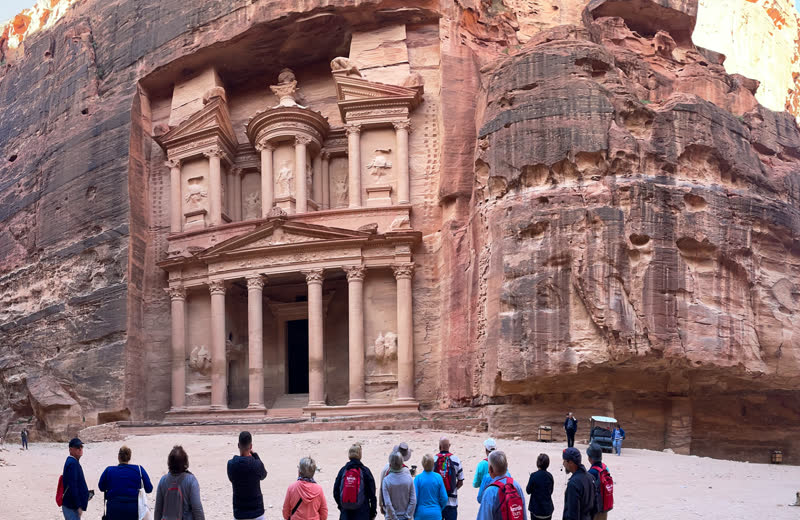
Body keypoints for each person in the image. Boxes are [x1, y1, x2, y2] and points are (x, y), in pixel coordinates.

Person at [98, 445, 154, 520]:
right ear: (129, 457)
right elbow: (149, 489)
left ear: (118, 457)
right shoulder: (139, 469)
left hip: (113, 509)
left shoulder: (109, 470)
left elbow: (101, 487)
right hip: (133, 510)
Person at [154, 445, 205, 520]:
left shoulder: (163, 480)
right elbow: (197, 507)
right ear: (185, 461)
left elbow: (158, 509)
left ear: (169, 462)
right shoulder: (191, 480)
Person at [228, 431, 268, 520]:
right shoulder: (256, 464)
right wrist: (256, 456)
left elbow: (232, 479)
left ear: (238, 445)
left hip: (240, 511)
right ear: (250, 446)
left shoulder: (231, 464)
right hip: (257, 511)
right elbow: (263, 475)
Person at [475, 450, 527, 520]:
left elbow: (484, 517)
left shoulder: (490, 492)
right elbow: (523, 514)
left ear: (490, 469)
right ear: (507, 466)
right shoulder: (515, 485)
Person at [333, 444, 378, 520]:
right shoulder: (365, 471)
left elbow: (335, 491)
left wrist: (342, 507)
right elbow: (372, 494)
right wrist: (372, 512)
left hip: (346, 514)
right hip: (363, 513)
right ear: (360, 455)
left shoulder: (343, 470)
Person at [62, 438, 92, 520]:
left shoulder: (73, 462)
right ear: (70, 449)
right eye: (77, 447)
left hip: (71, 505)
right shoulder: (73, 464)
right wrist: (79, 506)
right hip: (71, 506)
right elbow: (73, 486)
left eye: (81, 447)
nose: (80, 449)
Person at [435, 437, 464, 520]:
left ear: (439, 446)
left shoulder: (434, 460)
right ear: (449, 446)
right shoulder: (456, 460)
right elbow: (460, 481)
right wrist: (452, 488)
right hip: (452, 503)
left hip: (437, 503)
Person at [381, 452, 416, 520]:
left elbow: (388, 503)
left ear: (390, 464)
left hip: (391, 518)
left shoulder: (386, 480)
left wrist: (394, 518)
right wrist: (407, 516)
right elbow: (413, 500)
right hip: (407, 517)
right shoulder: (409, 478)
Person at [561, 448, 594, 520]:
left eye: (564, 461)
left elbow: (573, 514)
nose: (563, 464)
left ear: (571, 462)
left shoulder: (573, 484)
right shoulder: (590, 477)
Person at [413, 454, 447, 520]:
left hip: (421, 513)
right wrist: (439, 508)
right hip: (435, 513)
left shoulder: (418, 478)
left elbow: (415, 498)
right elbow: (444, 498)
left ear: (422, 464)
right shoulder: (438, 477)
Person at [525, 454, 554, 520]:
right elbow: (551, 491)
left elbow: (528, 491)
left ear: (537, 463)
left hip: (536, 510)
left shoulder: (534, 475)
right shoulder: (550, 476)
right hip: (548, 510)